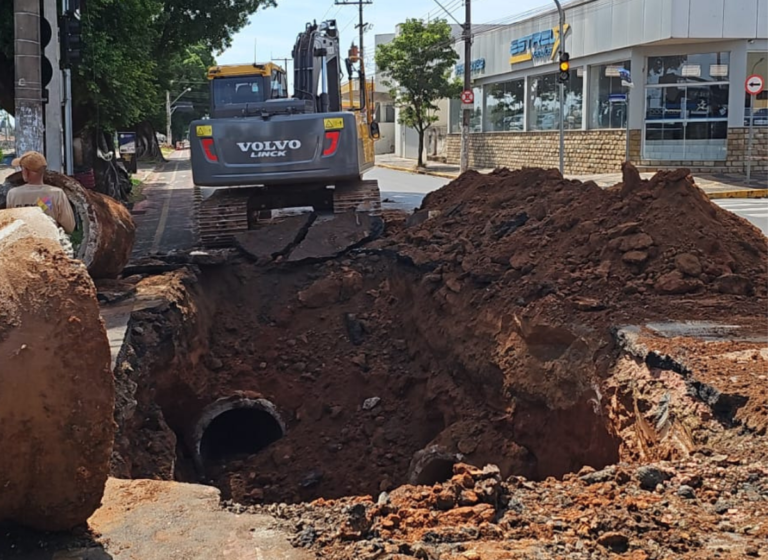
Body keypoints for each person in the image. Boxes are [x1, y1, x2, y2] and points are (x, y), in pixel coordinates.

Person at [7, 151, 76, 234]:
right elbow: (70, 227)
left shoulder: (13, 194)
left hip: (22, 242)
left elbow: (9, 224)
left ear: (25, 171)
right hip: (50, 242)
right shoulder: (57, 194)